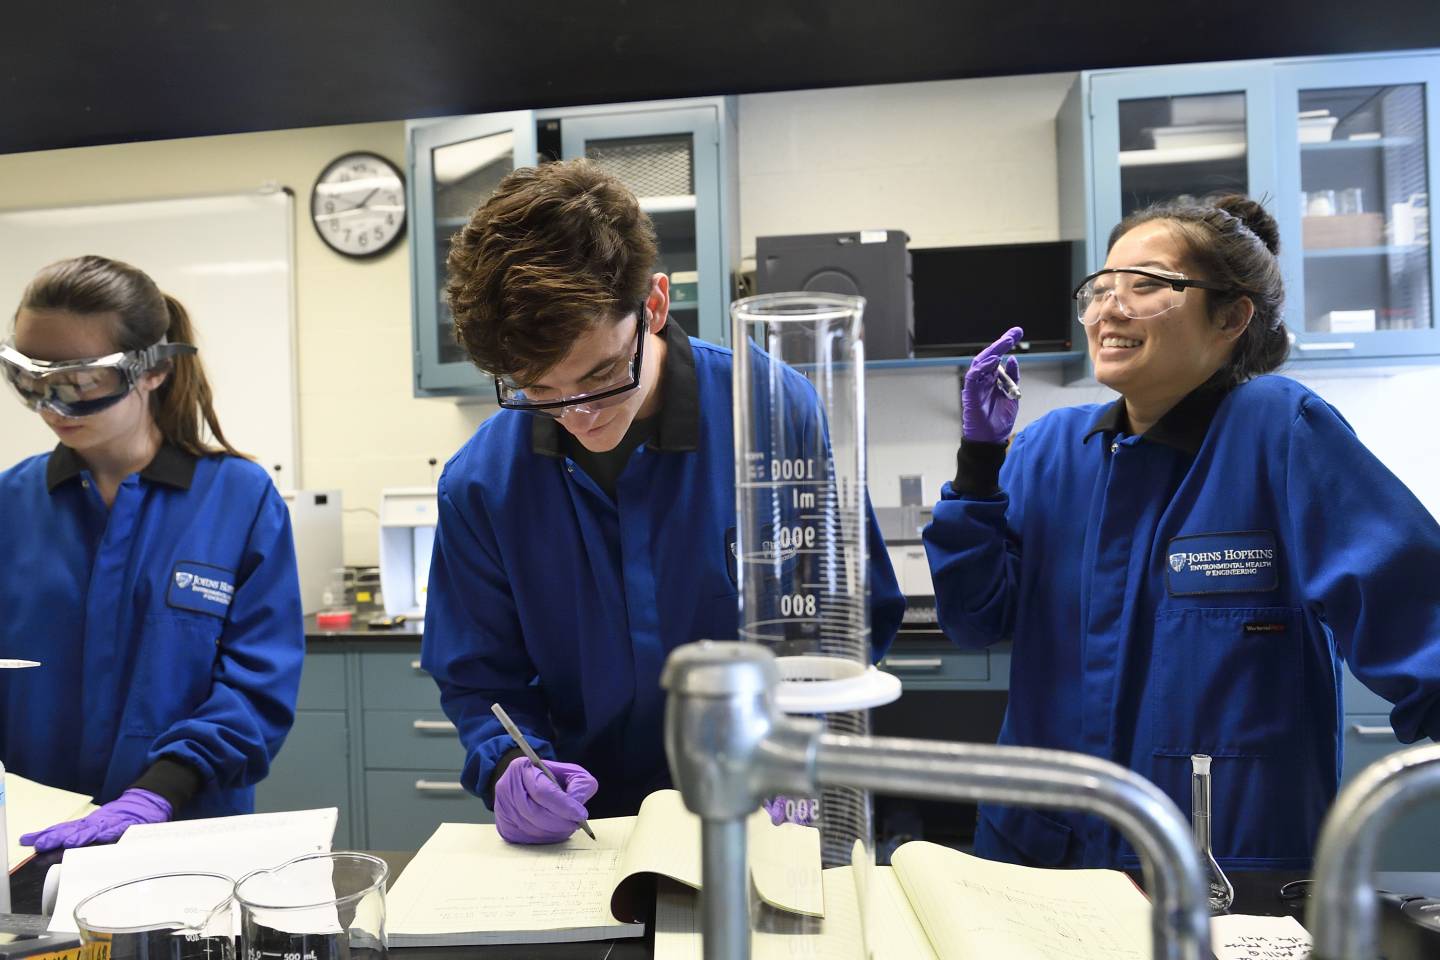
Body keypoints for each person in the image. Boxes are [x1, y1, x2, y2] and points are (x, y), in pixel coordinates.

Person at [924, 195, 1440, 870]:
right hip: (1039, 852)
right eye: (1100, 289)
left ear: (1230, 317)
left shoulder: (1277, 431)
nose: (1110, 308)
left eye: (1147, 287)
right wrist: (979, 465)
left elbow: (1418, 624)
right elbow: (972, 622)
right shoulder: (1049, 449)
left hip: (1219, 863)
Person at [422, 159, 905, 844]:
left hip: (765, 803)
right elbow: (480, 680)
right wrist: (509, 766)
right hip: (594, 831)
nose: (576, 413)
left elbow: (845, 621)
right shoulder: (481, 483)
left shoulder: (770, 410)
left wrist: (794, 755)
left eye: (597, 375)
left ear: (652, 305)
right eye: (538, 390)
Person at [0, 255, 305, 850]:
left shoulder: (238, 500)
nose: (50, 405)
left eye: (80, 380)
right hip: (27, 841)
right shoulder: (10, 504)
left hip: (185, 834)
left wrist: (158, 792)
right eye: (30, 378)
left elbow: (256, 684)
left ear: (152, 371)